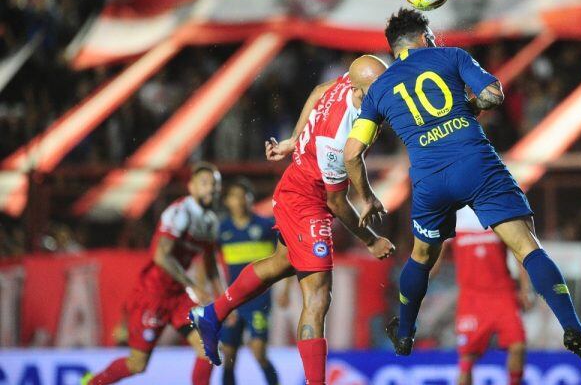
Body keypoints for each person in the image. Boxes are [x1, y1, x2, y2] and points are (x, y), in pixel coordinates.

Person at [343, 8, 581, 377]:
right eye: (432, 35)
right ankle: (574, 330)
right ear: (423, 37)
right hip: (475, 164)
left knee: (421, 257)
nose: (435, 39)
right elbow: (492, 93)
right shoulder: (451, 56)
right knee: (527, 245)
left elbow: (352, 152)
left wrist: (367, 194)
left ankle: (404, 332)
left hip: (430, 180)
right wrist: (469, 106)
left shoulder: (380, 89)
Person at [190, 56, 396, 385]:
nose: (385, 96)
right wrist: (371, 239)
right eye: (377, 91)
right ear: (358, 91)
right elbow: (335, 201)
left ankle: (211, 314)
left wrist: (293, 140)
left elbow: (318, 90)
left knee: (281, 263)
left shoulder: (350, 83)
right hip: (306, 202)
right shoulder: (337, 138)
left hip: (296, 186)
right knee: (317, 295)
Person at [81, 163, 224, 385]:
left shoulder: (211, 222)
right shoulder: (179, 213)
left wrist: (225, 298)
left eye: (215, 184)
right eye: (205, 183)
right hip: (153, 295)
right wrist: (193, 285)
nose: (211, 189)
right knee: (137, 364)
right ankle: (91, 383)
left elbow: (211, 264)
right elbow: (161, 256)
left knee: (209, 346)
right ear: (191, 187)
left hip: (178, 297)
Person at [452, 207, 531, 385]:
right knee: (467, 359)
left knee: (518, 346)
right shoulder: (453, 214)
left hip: (503, 293)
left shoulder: (497, 210)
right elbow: (432, 256)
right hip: (472, 297)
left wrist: (526, 289)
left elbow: (519, 252)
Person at [217, 179, 280, 385]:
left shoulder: (265, 226)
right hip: (232, 302)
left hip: (259, 299)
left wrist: (286, 288)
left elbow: (287, 255)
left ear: (251, 199)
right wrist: (214, 293)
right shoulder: (221, 229)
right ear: (227, 201)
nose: (241, 200)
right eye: (235, 195)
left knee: (259, 351)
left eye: (245, 195)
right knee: (228, 355)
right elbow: (206, 263)